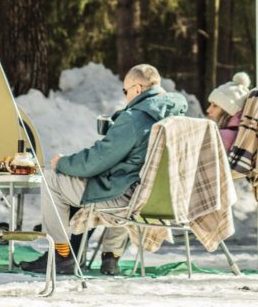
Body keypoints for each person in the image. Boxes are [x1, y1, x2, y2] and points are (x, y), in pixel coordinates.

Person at [20, 63, 187, 276]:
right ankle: (110, 256)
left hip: (125, 197)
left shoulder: (135, 118)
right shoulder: (179, 117)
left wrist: (62, 163)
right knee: (116, 178)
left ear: (137, 89)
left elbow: (96, 161)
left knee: (51, 179)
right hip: (162, 198)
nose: (126, 96)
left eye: (125, 91)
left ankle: (61, 255)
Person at [206, 72, 251, 152]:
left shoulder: (222, 136)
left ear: (229, 111)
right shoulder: (241, 133)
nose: (208, 110)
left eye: (215, 106)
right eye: (210, 104)